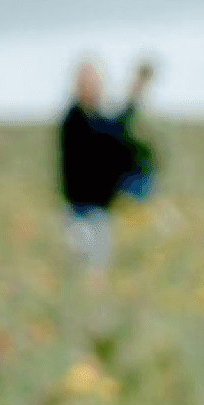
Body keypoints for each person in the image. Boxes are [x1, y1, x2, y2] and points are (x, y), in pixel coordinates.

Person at [58, 58, 156, 270]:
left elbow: (113, 130)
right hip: (80, 212)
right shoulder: (74, 121)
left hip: (98, 210)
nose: (94, 90)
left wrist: (134, 96)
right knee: (88, 268)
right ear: (78, 87)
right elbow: (109, 133)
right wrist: (133, 96)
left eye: (95, 85)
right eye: (88, 85)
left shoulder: (91, 119)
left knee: (96, 268)